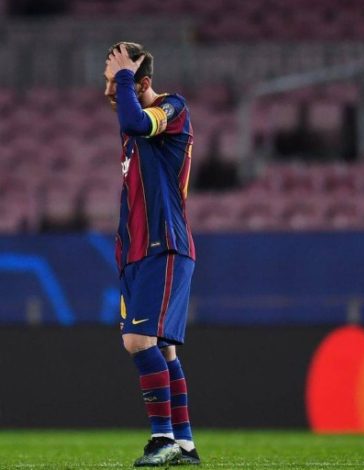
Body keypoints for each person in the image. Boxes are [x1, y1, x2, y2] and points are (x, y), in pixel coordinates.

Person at [104, 42, 200, 467]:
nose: (109, 91)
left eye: (116, 82)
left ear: (142, 82)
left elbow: (135, 119)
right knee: (163, 349)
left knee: (137, 341)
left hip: (163, 244)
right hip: (138, 250)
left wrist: (125, 74)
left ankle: (162, 438)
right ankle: (184, 444)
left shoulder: (172, 108)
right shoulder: (131, 134)